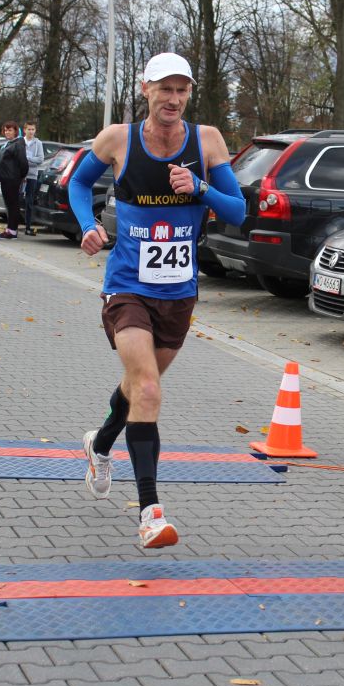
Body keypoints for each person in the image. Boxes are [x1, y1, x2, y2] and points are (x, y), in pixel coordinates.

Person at [68, 52, 246, 548]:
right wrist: (87, 225)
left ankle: (100, 443)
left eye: (181, 90)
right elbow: (78, 182)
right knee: (147, 389)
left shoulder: (206, 141)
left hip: (179, 293)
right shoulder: (117, 139)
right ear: (145, 89)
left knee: (138, 388)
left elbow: (238, 211)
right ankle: (150, 513)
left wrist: (201, 187)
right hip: (128, 286)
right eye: (164, 89)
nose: (173, 99)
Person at [0, 121, 29, 239]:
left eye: (10, 130)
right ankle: (9, 228)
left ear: (15, 131)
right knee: (9, 204)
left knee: (13, 204)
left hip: (12, 179)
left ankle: (12, 231)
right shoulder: (9, 143)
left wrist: (19, 176)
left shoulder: (18, 144)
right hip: (5, 178)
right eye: (5, 130)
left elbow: (23, 163)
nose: (7, 132)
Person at [23, 121, 44, 235]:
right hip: (20, 175)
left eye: (33, 129)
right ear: (24, 130)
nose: (31, 132)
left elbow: (40, 159)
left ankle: (28, 227)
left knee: (29, 201)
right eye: (29, 129)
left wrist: (28, 159)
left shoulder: (38, 143)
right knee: (17, 199)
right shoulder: (21, 142)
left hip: (32, 175)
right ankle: (13, 226)